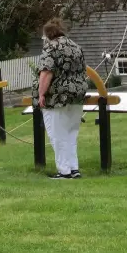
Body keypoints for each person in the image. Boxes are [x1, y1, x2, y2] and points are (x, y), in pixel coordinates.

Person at [33, 18, 89, 179]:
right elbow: (83, 70)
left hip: (58, 97)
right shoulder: (76, 47)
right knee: (71, 133)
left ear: (48, 34)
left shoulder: (51, 47)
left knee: (57, 135)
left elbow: (46, 72)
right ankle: (74, 168)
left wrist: (41, 93)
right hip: (77, 95)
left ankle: (64, 171)